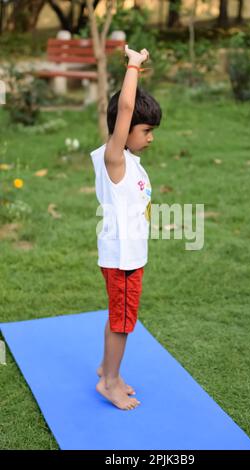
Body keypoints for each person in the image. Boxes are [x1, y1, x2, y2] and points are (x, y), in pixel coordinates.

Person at [90, 45, 162, 411]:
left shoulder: (128, 161)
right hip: (122, 260)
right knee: (122, 323)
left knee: (117, 316)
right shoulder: (114, 158)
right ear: (125, 128)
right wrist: (134, 65)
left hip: (128, 257)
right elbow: (126, 110)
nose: (150, 137)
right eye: (146, 130)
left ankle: (107, 366)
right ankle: (110, 382)